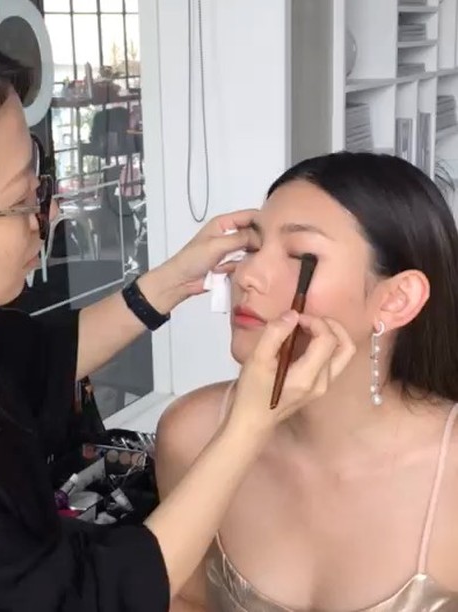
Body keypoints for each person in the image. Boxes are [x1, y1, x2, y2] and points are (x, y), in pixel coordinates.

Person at [0, 9, 356, 612]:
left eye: (41, 179)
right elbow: (91, 600)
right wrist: (248, 424)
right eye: (20, 199)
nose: (50, 214)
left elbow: (38, 361)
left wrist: (168, 283)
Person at [156, 151, 458, 612]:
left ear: (396, 299)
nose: (246, 275)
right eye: (252, 248)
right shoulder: (191, 435)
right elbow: (187, 601)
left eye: (300, 256)